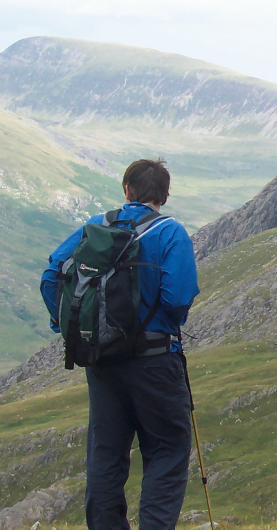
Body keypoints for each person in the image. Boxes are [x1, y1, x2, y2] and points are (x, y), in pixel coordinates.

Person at [40, 158, 200, 530]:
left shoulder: (96, 227)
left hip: (102, 361)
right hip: (156, 362)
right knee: (166, 451)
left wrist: (71, 327)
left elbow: (51, 276)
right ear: (164, 194)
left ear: (126, 190)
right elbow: (177, 298)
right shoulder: (171, 232)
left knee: (106, 455)